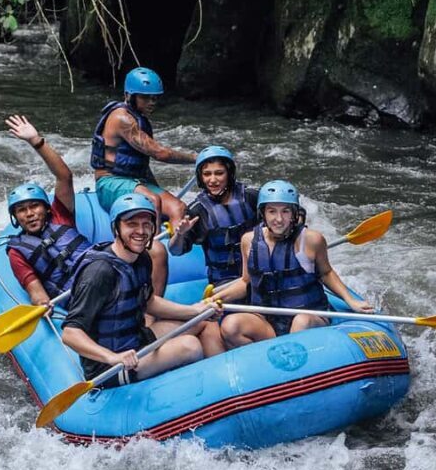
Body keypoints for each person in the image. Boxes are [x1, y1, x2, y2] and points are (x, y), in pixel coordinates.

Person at [61, 193, 225, 387]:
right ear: (116, 228)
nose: (141, 231)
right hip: (110, 365)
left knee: (204, 321)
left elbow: (149, 302)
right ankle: (198, 393)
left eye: (146, 224)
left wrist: (196, 310)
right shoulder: (99, 273)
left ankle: (222, 383)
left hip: (136, 339)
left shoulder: (141, 258)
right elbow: (70, 333)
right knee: (190, 346)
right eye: (132, 224)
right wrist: (113, 357)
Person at [4, 115, 168, 303]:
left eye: (34, 206)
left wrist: (36, 141)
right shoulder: (17, 251)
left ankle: (150, 315)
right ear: (15, 216)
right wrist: (41, 302)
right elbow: (35, 289)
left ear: (47, 209)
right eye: (21, 210)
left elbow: (64, 176)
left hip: (103, 269)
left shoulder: (60, 215)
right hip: (80, 296)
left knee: (156, 249)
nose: (30, 213)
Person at [214, 180, 374, 348]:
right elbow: (246, 281)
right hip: (267, 320)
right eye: (272, 211)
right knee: (231, 326)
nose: (279, 219)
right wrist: (216, 298)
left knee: (301, 321)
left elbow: (326, 273)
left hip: (308, 316)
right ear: (263, 213)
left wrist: (350, 300)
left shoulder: (311, 240)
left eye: (285, 211)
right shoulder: (248, 240)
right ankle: (268, 360)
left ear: (294, 214)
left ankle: (296, 361)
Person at [90, 67, 196, 228]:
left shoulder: (139, 119)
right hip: (110, 182)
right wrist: (197, 158)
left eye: (154, 98)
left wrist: (157, 188)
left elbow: (140, 164)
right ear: (128, 95)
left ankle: (175, 249)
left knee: (178, 208)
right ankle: (152, 248)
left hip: (135, 181)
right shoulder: (122, 119)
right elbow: (161, 154)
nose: (151, 102)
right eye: (145, 97)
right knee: (153, 200)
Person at [168, 146, 259, 293]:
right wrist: (180, 234)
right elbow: (176, 251)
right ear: (200, 177)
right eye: (207, 174)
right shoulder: (198, 210)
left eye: (219, 173)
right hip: (225, 280)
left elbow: (291, 213)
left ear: (229, 174)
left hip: (259, 270)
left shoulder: (251, 197)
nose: (212, 180)